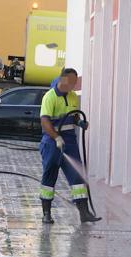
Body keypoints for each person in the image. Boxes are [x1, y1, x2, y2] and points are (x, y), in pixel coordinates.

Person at [38, 68, 101, 224]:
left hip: (70, 141)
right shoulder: (50, 97)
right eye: (71, 81)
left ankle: (84, 213)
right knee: (50, 175)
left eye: (75, 82)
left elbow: (73, 116)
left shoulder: (72, 96)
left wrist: (80, 122)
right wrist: (56, 137)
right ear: (62, 79)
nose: (73, 85)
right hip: (52, 140)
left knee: (77, 176)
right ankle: (46, 214)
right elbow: (45, 122)